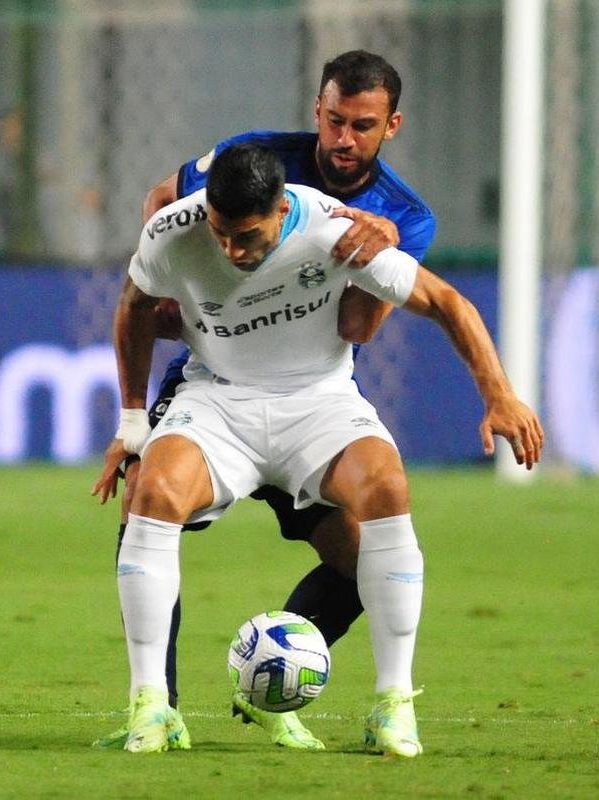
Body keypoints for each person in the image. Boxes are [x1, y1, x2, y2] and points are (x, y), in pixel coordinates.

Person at [97, 143, 543, 756]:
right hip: (218, 401)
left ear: (282, 210)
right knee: (152, 493)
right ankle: (152, 707)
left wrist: (500, 395)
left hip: (318, 404)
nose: (231, 249)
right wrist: (131, 425)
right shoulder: (174, 232)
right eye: (222, 233)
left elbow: (446, 302)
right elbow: (134, 308)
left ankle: (393, 708)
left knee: (385, 492)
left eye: (246, 235)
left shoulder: (336, 231)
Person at [94, 50, 437, 751]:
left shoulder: (401, 215)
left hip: (308, 393)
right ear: (316, 110)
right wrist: (179, 292)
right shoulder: (251, 158)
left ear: (390, 127)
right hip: (216, 382)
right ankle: (158, 708)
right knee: (144, 512)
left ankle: (271, 683)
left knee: (355, 558)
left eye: (361, 126)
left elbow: (357, 327)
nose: (343, 139)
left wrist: (377, 259)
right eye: (334, 120)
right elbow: (164, 202)